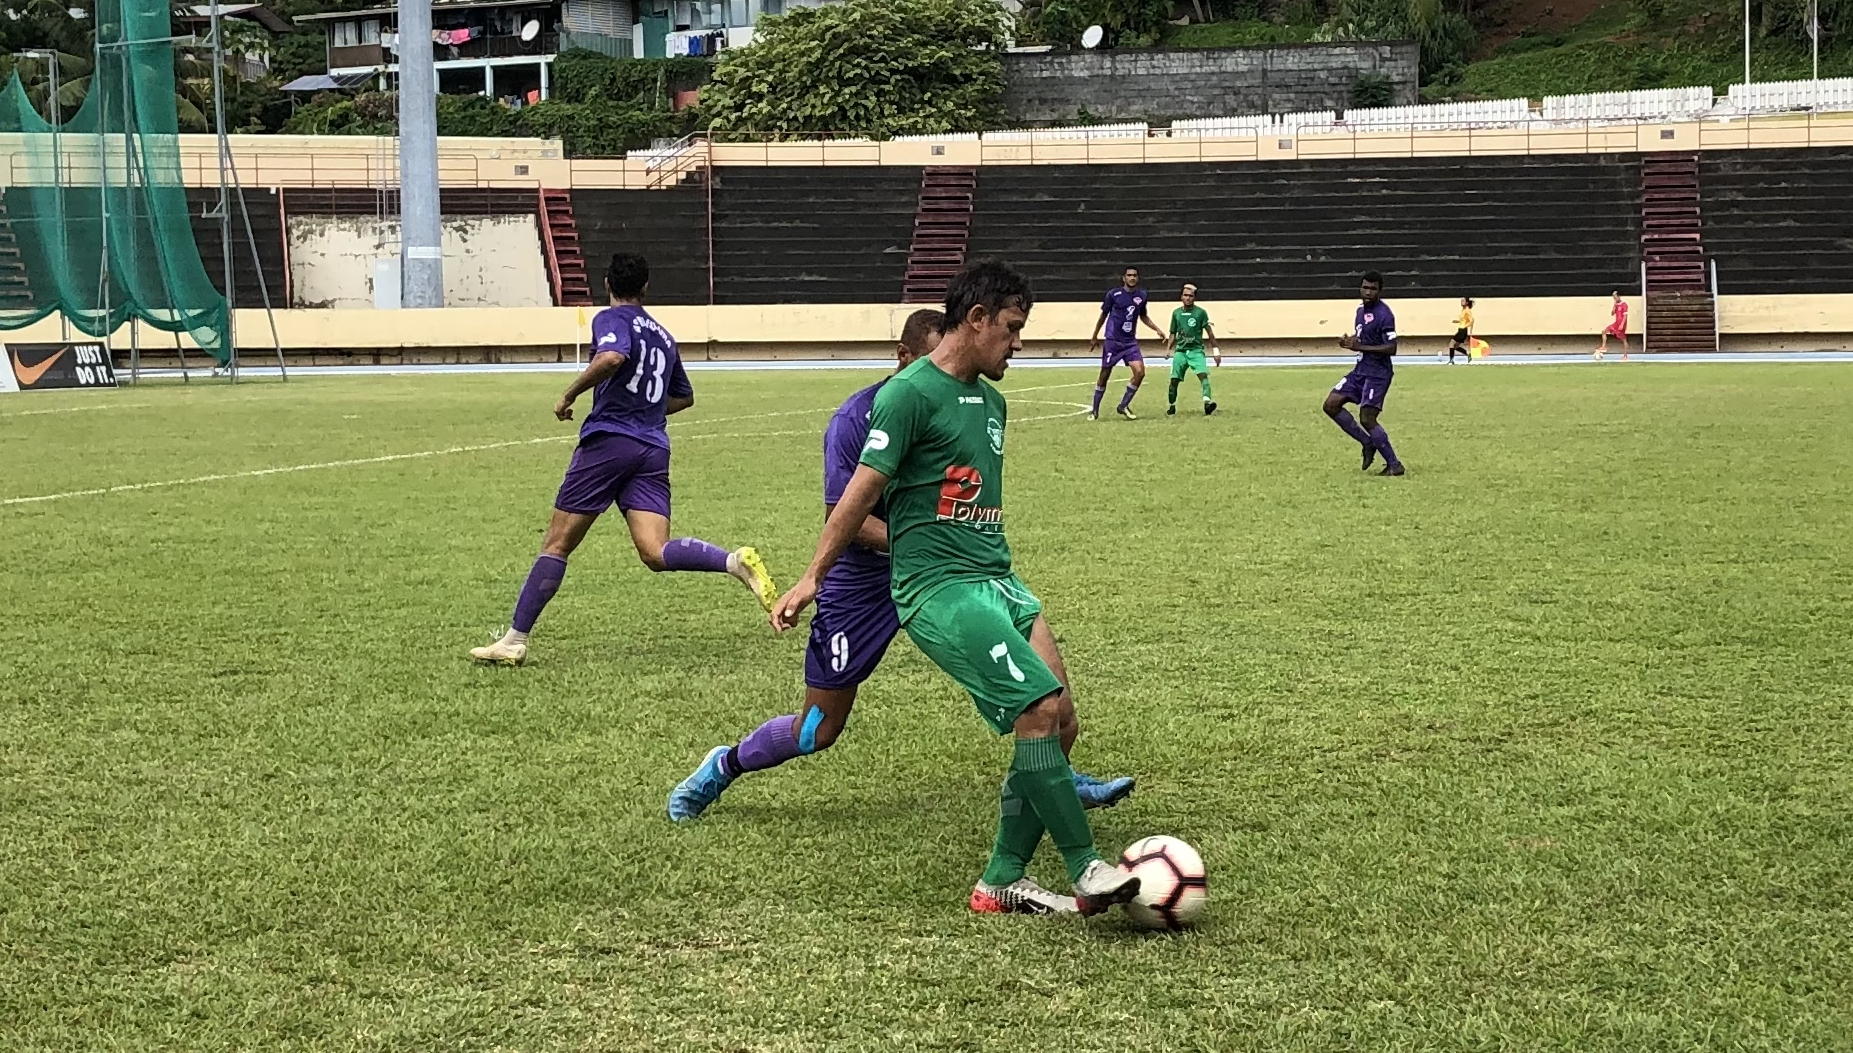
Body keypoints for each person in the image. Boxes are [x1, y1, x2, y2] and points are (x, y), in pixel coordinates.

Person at [770, 261, 1143, 918]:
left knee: (1061, 725)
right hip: (938, 588)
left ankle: (1000, 879)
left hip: (1001, 581)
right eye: (1010, 327)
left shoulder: (991, 401)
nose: (1017, 341)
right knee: (1035, 708)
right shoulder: (908, 394)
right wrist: (811, 575)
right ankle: (1084, 864)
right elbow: (858, 493)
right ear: (975, 318)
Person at [667, 309, 1135, 823]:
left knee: (1046, 700)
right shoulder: (856, 419)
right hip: (864, 583)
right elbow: (845, 516)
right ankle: (723, 765)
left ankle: (1052, 781)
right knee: (817, 729)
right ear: (906, 358)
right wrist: (920, 543)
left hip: (948, 577)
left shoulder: (971, 402)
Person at [469, 253, 777, 666]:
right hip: (652, 449)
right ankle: (731, 561)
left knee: (557, 544)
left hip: (610, 442)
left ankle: (514, 639)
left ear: (607, 284)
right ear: (646, 288)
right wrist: (647, 411)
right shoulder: (664, 337)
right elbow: (685, 396)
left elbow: (613, 357)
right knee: (655, 550)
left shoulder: (612, 319)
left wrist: (570, 393)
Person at [1322, 271, 1405, 477]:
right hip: (1360, 370)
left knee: (1368, 418)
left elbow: (1391, 348)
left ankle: (1394, 465)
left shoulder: (1385, 314)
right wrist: (1349, 342)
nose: (1368, 292)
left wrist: (1361, 347)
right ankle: (1367, 442)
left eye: (1373, 289)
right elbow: (1362, 338)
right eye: (1365, 287)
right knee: (1331, 405)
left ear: (1379, 291)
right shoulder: (1360, 311)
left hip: (1378, 373)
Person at [1088, 266, 1166, 420]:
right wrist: (1095, 335)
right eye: (1129, 275)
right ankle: (1094, 410)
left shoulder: (1141, 295)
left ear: (1138, 278)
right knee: (1104, 374)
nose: (1132, 278)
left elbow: (1143, 316)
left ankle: (1123, 406)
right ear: (1124, 278)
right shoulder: (1114, 294)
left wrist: (1156, 329)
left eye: (1134, 275)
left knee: (1140, 372)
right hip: (1113, 341)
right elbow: (1103, 315)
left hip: (1130, 342)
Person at [1165, 283, 1221, 416]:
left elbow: (1209, 332)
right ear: (1181, 297)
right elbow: (1173, 333)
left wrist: (1216, 350)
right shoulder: (1176, 313)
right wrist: (1168, 349)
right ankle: (1171, 405)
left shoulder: (1200, 313)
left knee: (1203, 375)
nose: (1188, 298)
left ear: (1194, 298)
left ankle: (1207, 403)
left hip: (1196, 351)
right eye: (1185, 295)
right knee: (1174, 380)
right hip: (1181, 352)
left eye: (1191, 296)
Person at [1596, 291, 1629, 361]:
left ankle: (1625, 356)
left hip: (1621, 324)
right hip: (1616, 323)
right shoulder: (1616, 304)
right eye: (1613, 297)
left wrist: (1622, 325)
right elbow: (1612, 313)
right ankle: (1604, 346)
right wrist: (1614, 307)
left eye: (1615, 297)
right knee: (1604, 331)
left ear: (1619, 296)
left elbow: (1625, 316)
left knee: (1623, 339)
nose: (1614, 299)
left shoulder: (1624, 305)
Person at [1446, 296, 1474, 364]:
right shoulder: (1463, 310)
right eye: (1461, 301)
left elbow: (1471, 321)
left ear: (1466, 302)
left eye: (1463, 301)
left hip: (1462, 330)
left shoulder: (1467, 310)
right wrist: (1457, 321)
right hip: (1461, 330)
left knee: (1451, 344)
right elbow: (1463, 320)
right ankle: (1468, 354)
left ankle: (1451, 360)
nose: (1461, 302)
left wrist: (1465, 326)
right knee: (1455, 346)